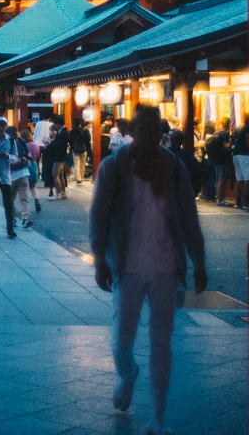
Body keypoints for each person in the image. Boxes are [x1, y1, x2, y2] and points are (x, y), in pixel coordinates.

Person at [90, 105, 207, 435]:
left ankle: (159, 417)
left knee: (162, 342)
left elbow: (187, 215)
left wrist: (197, 260)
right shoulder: (114, 167)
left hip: (165, 265)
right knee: (121, 339)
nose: (151, 136)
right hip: (127, 265)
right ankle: (127, 372)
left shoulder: (172, 167)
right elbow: (99, 215)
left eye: (157, 130)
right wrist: (100, 258)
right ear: (134, 130)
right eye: (145, 129)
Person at [231, 113, 249, 210]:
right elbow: (248, 142)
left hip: (235, 155)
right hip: (244, 155)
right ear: (248, 119)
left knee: (239, 178)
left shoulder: (236, 128)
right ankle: (247, 201)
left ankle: (237, 201)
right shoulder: (247, 128)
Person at [208, 118, 234, 206]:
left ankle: (218, 197)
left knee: (218, 179)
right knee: (222, 180)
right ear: (228, 124)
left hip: (215, 159)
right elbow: (226, 146)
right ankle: (220, 199)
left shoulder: (217, 132)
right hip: (223, 159)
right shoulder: (225, 134)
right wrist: (232, 147)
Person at [45, 116, 70, 200]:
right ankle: (63, 193)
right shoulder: (64, 131)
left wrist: (49, 143)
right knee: (60, 175)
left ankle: (57, 194)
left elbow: (58, 145)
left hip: (58, 157)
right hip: (62, 157)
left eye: (55, 124)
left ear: (58, 123)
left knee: (55, 175)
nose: (55, 126)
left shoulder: (62, 133)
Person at [198, 121, 218, 201]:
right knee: (213, 177)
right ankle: (211, 196)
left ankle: (208, 195)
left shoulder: (204, 135)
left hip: (206, 158)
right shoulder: (212, 137)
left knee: (210, 177)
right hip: (211, 158)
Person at [70, 118, 91, 185]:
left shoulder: (71, 131)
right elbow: (88, 140)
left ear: (74, 123)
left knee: (76, 164)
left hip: (75, 150)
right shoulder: (85, 130)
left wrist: (73, 147)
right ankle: (81, 178)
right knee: (82, 164)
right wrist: (87, 148)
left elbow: (70, 141)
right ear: (80, 123)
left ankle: (78, 179)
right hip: (83, 149)